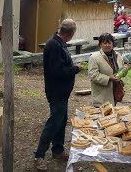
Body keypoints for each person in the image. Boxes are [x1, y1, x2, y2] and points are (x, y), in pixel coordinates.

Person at [34, 19, 83, 171]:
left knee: (62, 121)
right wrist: (75, 69)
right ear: (69, 33)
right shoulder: (54, 45)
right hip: (56, 91)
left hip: (62, 92)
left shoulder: (59, 43)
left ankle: (58, 150)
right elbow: (57, 71)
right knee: (54, 122)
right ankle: (39, 156)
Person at [89, 33, 122, 106]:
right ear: (100, 45)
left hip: (114, 90)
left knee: (112, 114)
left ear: (113, 44)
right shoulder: (94, 57)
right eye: (104, 43)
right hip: (101, 95)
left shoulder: (117, 55)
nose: (107, 45)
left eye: (109, 43)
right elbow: (93, 75)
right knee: (101, 115)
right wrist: (109, 78)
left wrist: (124, 72)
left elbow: (120, 69)